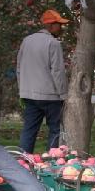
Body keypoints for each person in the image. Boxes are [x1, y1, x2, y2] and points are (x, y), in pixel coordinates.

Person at [17, 9, 69, 153]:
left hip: (29, 95)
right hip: (50, 96)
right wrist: (64, 95)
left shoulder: (26, 41)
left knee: (29, 130)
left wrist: (22, 90)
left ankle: (22, 162)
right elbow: (57, 72)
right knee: (55, 130)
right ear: (51, 25)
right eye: (59, 24)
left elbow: (19, 68)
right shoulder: (53, 43)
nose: (61, 27)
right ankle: (51, 161)